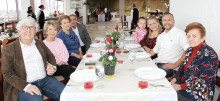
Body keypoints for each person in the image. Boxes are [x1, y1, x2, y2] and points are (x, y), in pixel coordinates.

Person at [1, 17, 65, 101]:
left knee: (66, 93)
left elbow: (51, 56)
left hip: (45, 80)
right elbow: (7, 74)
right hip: (23, 84)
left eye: (32, 27)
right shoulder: (9, 49)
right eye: (25, 27)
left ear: (35, 31)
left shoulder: (40, 43)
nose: (28, 30)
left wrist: (52, 66)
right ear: (19, 30)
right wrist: (26, 86)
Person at [170, 22, 219, 101]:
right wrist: (173, 80)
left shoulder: (209, 54)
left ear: (203, 37)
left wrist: (179, 87)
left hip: (197, 94)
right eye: (188, 36)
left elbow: (203, 82)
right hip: (183, 85)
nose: (190, 39)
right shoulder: (190, 50)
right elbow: (182, 68)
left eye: (194, 36)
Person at [149, 13, 189, 77]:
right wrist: (142, 56)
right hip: (157, 63)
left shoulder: (180, 34)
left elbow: (188, 50)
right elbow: (154, 51)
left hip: (170, 68)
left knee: (150, 75)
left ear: (173, 22)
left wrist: (175, 65)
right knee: (140, 68)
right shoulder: (161, 36)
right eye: (164, 20)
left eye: (169, 20)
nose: (166, 22)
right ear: (162, 22)